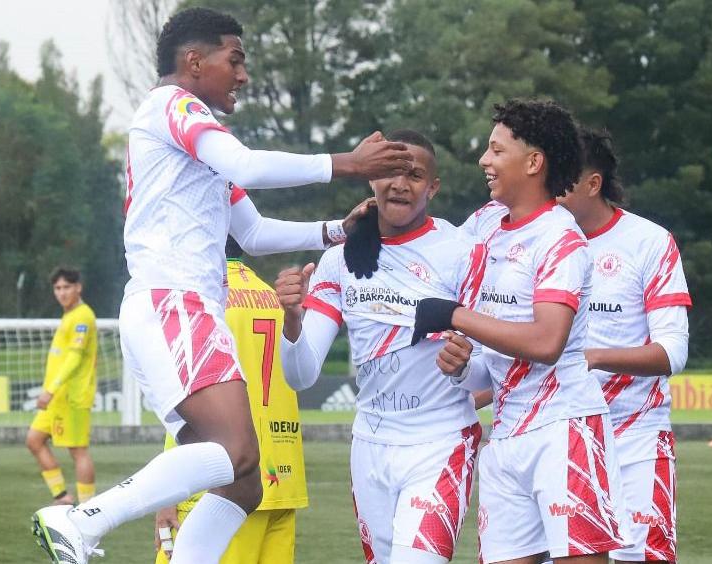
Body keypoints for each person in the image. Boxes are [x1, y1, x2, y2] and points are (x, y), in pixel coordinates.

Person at [31, 7, 413, 564]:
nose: (243, 75)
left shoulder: (196, 144)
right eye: (235, 60)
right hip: (175, 304)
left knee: (243, 481)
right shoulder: (175, 106)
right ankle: (83, 518)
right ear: (194, 61)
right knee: (234, 453)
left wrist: (332, 231)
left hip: (173, 308)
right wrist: (346, 163)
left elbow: (253, 230)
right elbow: (249, 166)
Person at [416, 99, 624, 564]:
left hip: (565, 430)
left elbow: (546, 343)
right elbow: (490, 365)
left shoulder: (560, 238)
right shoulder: (484, 226)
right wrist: (460, 366)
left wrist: (454, 316)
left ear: (534, 162)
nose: (483, 161)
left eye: (495, 150)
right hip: (507, 434)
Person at [276, 129, 483, 564]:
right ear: (372, 178)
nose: (400, 184)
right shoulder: (340, 258)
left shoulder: (463, 252)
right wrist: (292, 319)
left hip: (440, 442)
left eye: (414, 174)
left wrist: (464, 368)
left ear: (433, 187)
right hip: (369, 445)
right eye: (389, 171)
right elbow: (300, 375)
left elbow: (493, 372)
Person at [558, 127, 690, 564]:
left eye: (561, 175)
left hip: (634, 437)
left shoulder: (649, 242)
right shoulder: (533, 243)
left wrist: (592, 358)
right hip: (559, 437)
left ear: (592, 184)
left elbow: (672, 352)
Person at [153, 238, 309, 564]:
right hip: (282, 479)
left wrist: (167, 493)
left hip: (224, 484)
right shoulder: (272, 295)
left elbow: (191, 402)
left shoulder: (203, 302)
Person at [27, 267, 100, 506]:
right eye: (57, 288)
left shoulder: (82, 316)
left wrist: (51, 389)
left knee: (78, 450)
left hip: (72, 397)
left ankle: (88, 508)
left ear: (78, 287)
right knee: (34, 440)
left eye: (67, 287)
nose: (62, 292)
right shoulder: (68, 316)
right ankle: (62, 496)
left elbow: (75, 358)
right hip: (57, 398)